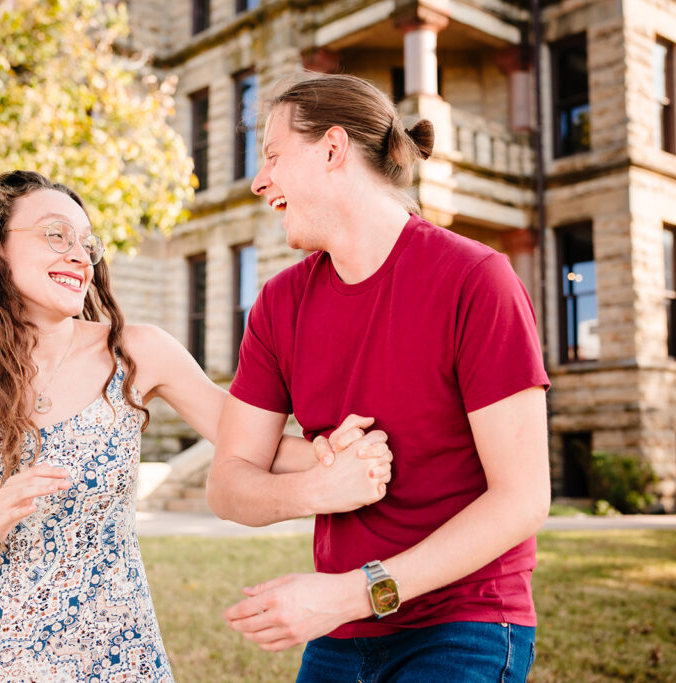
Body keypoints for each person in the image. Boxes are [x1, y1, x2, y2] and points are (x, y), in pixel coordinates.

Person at [0, 170, 393, 682]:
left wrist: (336, 454)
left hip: (113, 655)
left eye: (87, 244)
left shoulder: (136, 352)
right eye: (55, 235)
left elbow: (245, 440)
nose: (78, 255)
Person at [205, 74, 551, 682]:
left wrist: (348, 593)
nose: (260, 182)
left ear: (332, 149)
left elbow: (522, 499)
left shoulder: (477, 280)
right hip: (341, 636)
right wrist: (317, 487)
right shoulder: (278, 306)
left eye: (272, 155)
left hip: (465, 622)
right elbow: (228, 483)